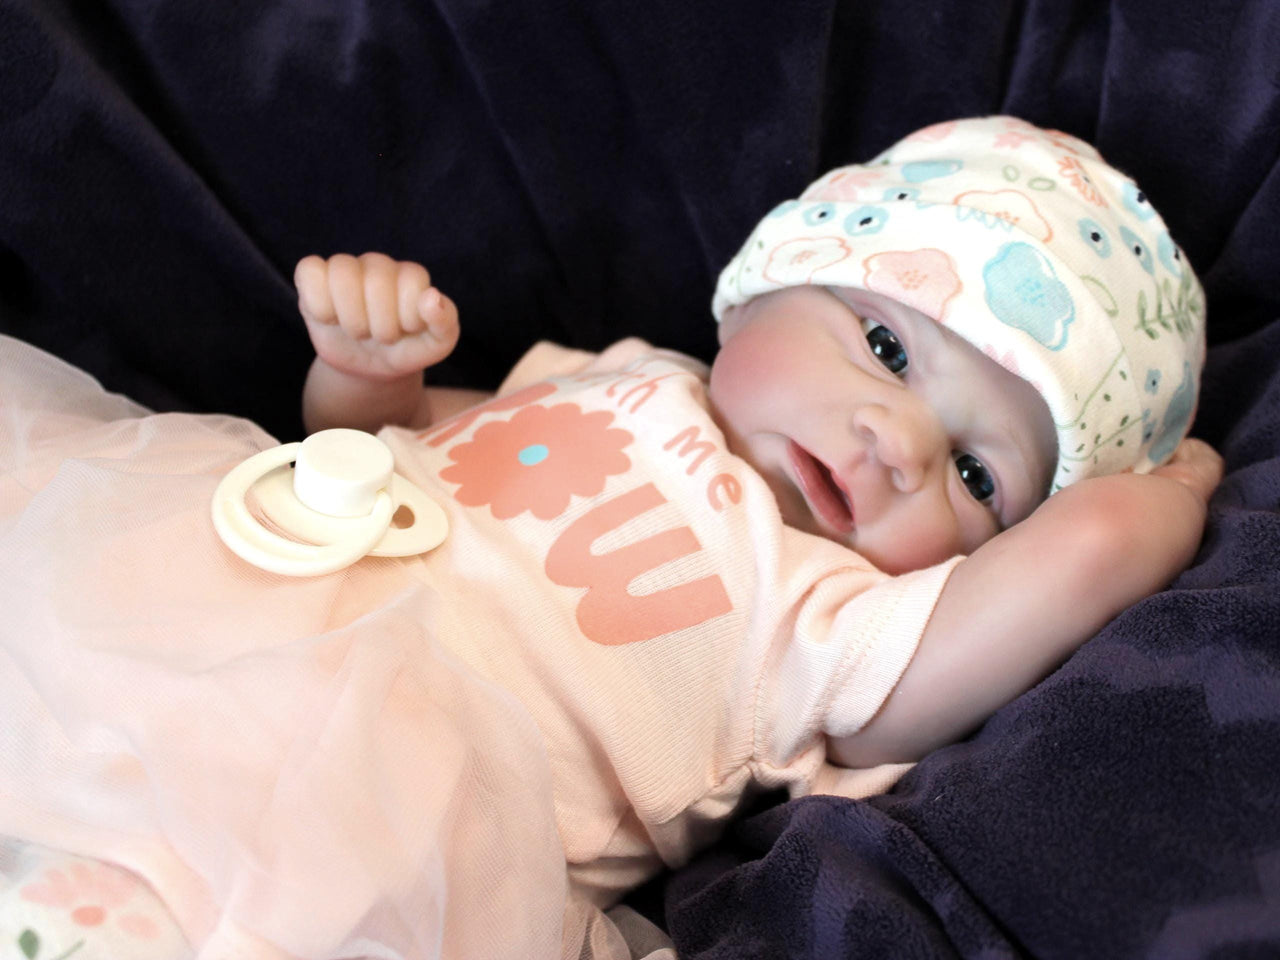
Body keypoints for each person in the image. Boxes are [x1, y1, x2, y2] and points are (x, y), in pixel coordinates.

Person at [0, 116, 1221, 959]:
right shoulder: (619, 372)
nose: (894, 442)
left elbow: (1076, 558)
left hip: (391, 772)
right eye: (885, 347)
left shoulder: (828, 615)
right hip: (205, 575)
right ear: (770, 282)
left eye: (974, 472)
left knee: (231, 892)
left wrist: (1155, 499)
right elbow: (380, 449)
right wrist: (367, 373)